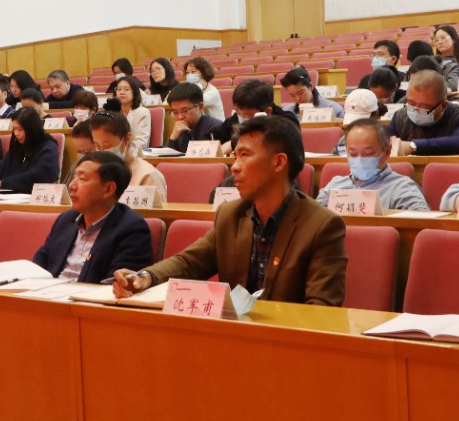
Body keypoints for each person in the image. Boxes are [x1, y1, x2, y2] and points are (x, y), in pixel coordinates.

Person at [111, 114, 346, 306]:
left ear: (279, 162)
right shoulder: (231, 214)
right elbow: (189, 262)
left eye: (245, 155)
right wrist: (145, 277)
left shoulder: (322, 225)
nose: (234, 167)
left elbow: (322, 308)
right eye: (235, 156)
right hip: (233, 333)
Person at [31, 152, 154, 282]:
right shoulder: (66, 219)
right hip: (47, 291)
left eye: (82, 179)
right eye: (74, 176)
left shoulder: (131, 228)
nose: (72, 185)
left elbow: (117, 283)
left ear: (108, 189)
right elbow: (39, 265)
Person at [319, 120, 429, 211]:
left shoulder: (402, 187)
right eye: (353, 154)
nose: (360, 159)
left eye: (368, 154)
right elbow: (314, 219)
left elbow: (421, 220)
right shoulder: (335, 185)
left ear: (387, 151)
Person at [386, 69, 459, 155]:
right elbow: (385, 142)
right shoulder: (400, 116)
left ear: (443, 106)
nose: (415, 110)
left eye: (424, 107)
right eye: (411, 103)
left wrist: (413, 146)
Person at [90, 111, 169, 203]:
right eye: (97, 146)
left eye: (107, 146)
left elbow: (155, 211)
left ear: (127, 139)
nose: (102, 151)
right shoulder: (95, 171)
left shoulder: (147, 175)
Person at [0, 107, 60, 193]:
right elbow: (1, 169)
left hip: (34, 195)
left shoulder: (48, 147)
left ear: (31, 129)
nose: (16, 133)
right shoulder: (16, 145)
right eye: (14, 129)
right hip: (8, 194)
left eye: (20, 129)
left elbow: (39, 175)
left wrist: (3, 183)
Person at [211, 78, 279, 146]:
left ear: (267, 111)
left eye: (246, 115)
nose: (241, 117)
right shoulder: (234, 119)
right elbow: (215, 135)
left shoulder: (282, 124)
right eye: (237, 112)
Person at [165, 82, 219, 152]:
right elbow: (169, 158)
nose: (180, 117)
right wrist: (173, 137)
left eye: (185, 110)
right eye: (175, 112)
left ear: (200, 107)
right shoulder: (179, 130)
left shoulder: (215, 128)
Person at [107, 74, 151, 155]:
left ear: (134, 93)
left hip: (134, 155)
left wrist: (121, 149)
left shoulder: (142, 112)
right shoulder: (111, 112)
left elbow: (142, 142)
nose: (122, 92)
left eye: (126, 89)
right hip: (112, 153)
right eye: (119, 89)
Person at [278, 66, 344, 118]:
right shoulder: (287, 112)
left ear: (311, 86)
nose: (298, 98)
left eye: (300, 93)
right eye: (292, 95)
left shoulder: (332, 108)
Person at [182, 56, 225, 122]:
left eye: (193, 72)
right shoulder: (189, 88)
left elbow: (194, 102)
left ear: (203, 73)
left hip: (215, 126)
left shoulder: (213, 92)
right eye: (187, 73)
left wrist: (199, 85)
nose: (189, 75)